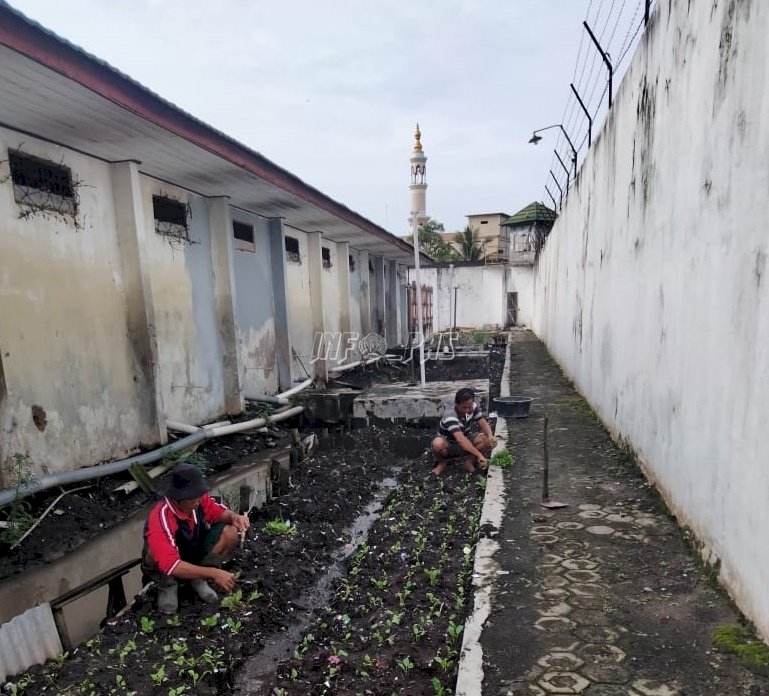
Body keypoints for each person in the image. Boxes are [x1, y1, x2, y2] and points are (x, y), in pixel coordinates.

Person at [142, 463, 251, 614]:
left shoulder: (198, 500)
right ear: (178, 497)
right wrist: (214, 573)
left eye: (198, 496)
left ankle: (197, 578)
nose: (197, 501)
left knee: (230, 532)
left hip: (190, 551)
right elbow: (170, 564)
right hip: (166, 565)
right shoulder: (161, 516)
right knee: (155, 551)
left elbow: (217, 513)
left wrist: (234, 517)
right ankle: (167, 585)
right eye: (192, 498)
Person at [431, 387, 495, 475]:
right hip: (449, 444)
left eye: (469, 407)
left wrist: (490, 435)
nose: (467, 410)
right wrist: (479, 455)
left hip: (466, 438)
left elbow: (482, 421)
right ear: (456, 404)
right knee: (437, 444)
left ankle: (469, 462)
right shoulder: (450, 415)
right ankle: (442, 463)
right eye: (464, 407)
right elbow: (460, 440)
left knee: (487, 440)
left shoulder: (472, 407)